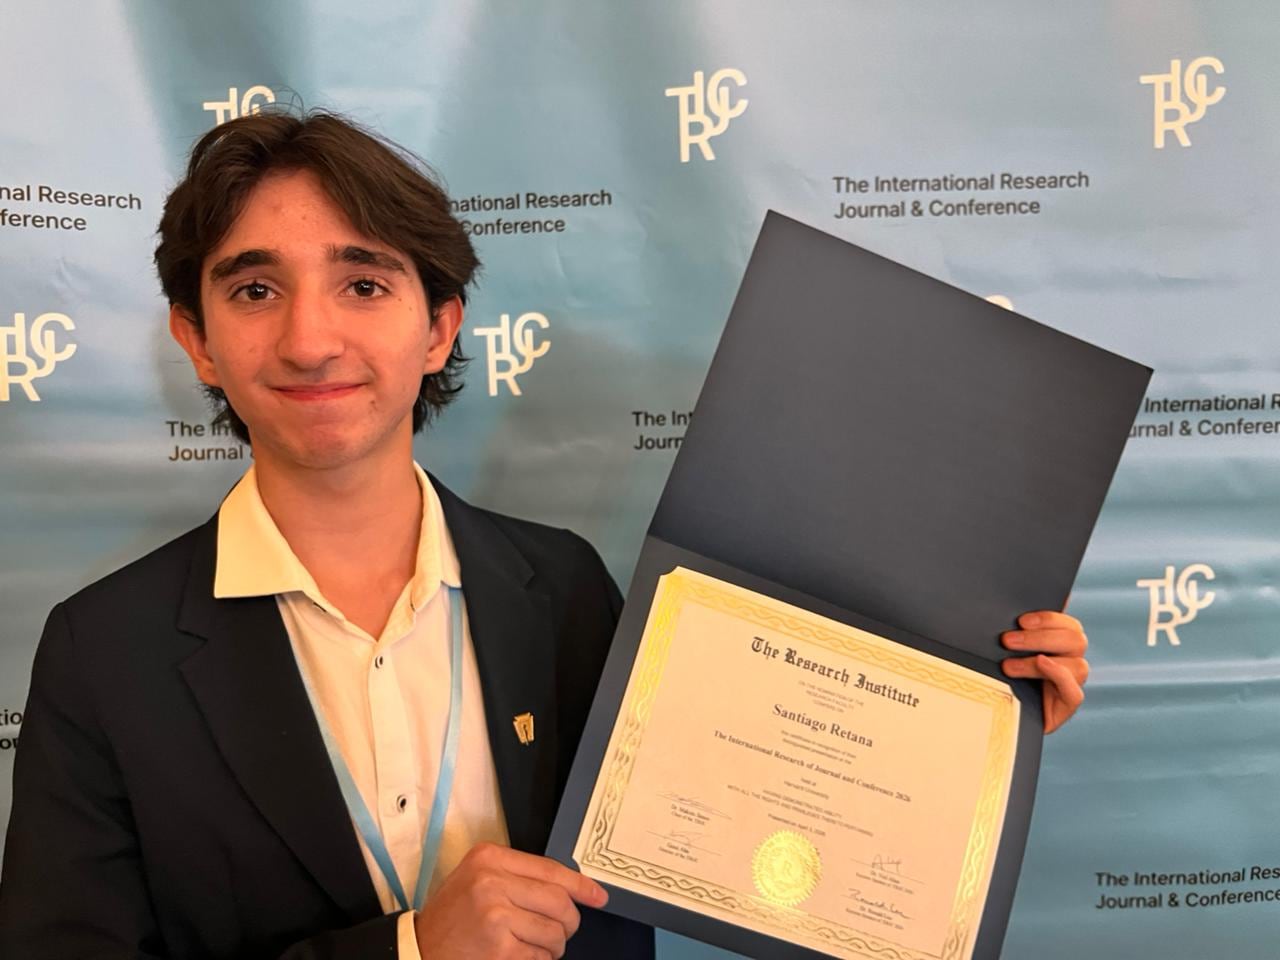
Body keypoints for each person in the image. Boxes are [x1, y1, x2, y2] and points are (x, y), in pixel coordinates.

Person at [0, 111, 1089, 960]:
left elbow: (740, 817)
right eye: (253, 288)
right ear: (196, 339)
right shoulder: (107, 653)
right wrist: (415, 950)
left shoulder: (562, 590)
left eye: (363, 282)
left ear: (438, 328)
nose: (310, 336)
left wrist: (970, 701)